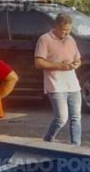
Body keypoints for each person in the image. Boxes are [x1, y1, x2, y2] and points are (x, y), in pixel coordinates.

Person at [34, 13, 82, 146]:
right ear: (55, 26)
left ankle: (76, 146)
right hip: (55, 84)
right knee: (61, 118)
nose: (66, 33)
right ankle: (48, 140)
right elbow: (38, 63)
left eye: (68, 30)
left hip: (73, 84)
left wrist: (76, 64)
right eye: (63, 30)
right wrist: (60, 66)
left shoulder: (70, 39)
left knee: (76, 117)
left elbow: (78, 59)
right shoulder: (44, 39)